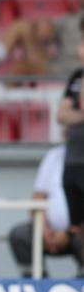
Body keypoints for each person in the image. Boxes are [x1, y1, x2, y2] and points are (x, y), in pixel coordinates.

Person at [8, 143, 83, 278]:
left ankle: (79, 288)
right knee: (20, 235)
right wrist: (43, 229)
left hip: (78, 229)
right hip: (50, 231)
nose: (67, 131)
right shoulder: (54, 156)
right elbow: (38, 197)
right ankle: (36, 288)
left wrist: (69, 232)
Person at [58, 26, 84, 251]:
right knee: (77, 227)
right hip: (73, 161)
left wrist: (75, 116)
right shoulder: (77, 76)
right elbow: (61, 114)